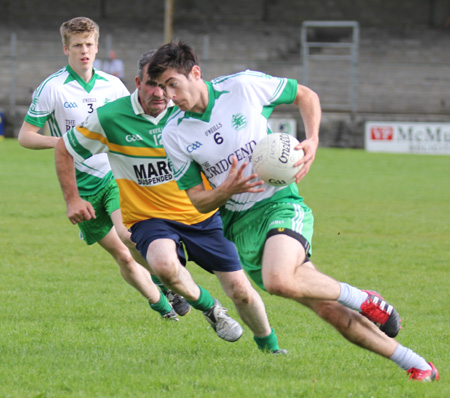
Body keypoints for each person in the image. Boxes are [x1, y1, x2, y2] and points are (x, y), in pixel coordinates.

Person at [147, 40, 439, 382]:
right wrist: (227, 189)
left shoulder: (242, 87)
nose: (169, 95)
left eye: (172, 84)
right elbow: (196, 199)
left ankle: (364, 298)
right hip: (240, 226)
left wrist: (312, 139)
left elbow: (306, 96)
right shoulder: (174, 133)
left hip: (280, 204)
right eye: (163, 87)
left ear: (195, 73)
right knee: (328, 309)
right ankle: (416, 364)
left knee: (279, 280)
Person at [53, 49, 286, 353]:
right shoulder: (110, 118)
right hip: (149, 218)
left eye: (167, 85)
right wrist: (72, 199)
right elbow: (64, 148)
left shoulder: (188, 115)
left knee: (241, 291)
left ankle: (270, 346)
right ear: (138, 82)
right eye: (152, 83)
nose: (160, 92)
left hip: (202, 213)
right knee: (163, 266)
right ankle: (209, 307)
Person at [17, 16, 190, 322]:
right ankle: (162, 306)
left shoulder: (113, 85)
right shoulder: (52, 88)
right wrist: (67, 143)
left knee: (128, 236)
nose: (84, 50)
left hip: (113, 174)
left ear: (97, 47)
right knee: (122, 255)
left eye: (88, 44)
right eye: (77, 45)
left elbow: (133, 120)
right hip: (80, 185)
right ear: (65, 48)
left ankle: (168, 283)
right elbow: (25, 136)